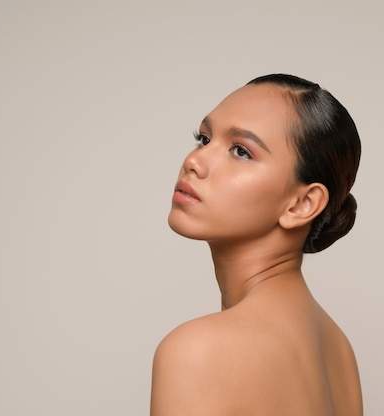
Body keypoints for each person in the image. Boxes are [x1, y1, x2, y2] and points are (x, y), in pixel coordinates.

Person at [150, 74, 363, 416]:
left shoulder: (198, 350)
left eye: (241, 151)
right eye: (203, 138)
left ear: (302, 204)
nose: (194, 161)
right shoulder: (338, 352)